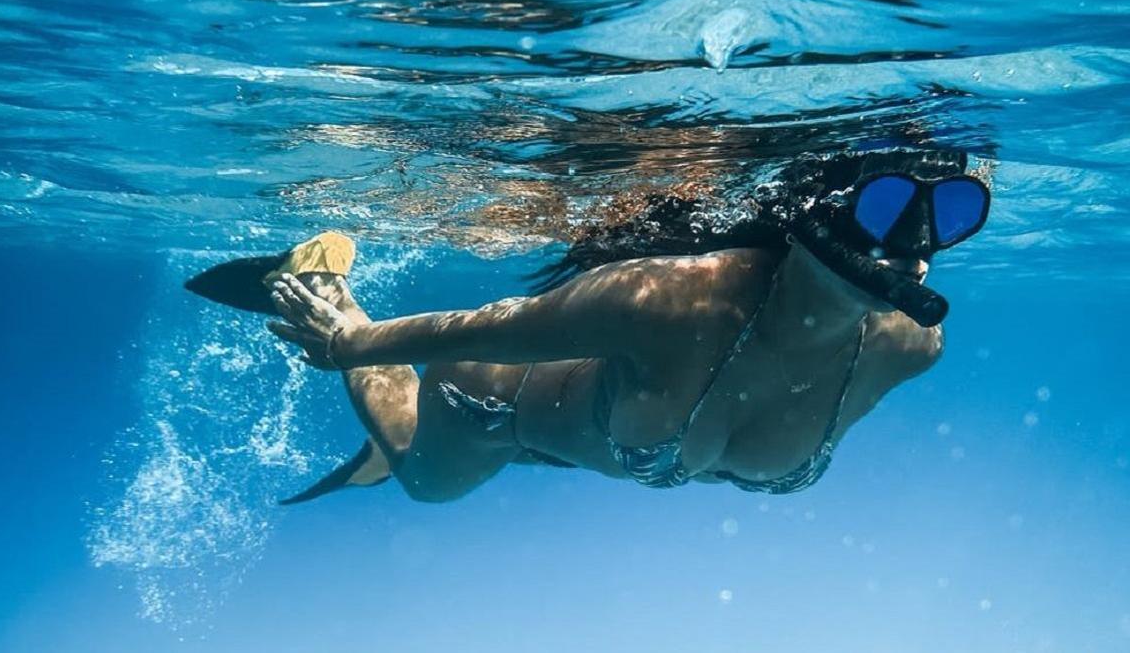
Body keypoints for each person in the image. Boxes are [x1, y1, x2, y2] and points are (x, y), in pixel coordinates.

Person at [186, 148, 991, 503]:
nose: (915, 245)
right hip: (493, 401)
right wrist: (348, 341)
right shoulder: (674, 301)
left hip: (585, 436)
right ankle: (325, 278)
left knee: (541, 450)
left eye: (954, 213)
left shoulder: (910, 346)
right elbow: (482, 331)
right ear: (819, 211)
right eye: (886, 204)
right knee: (424, 482)